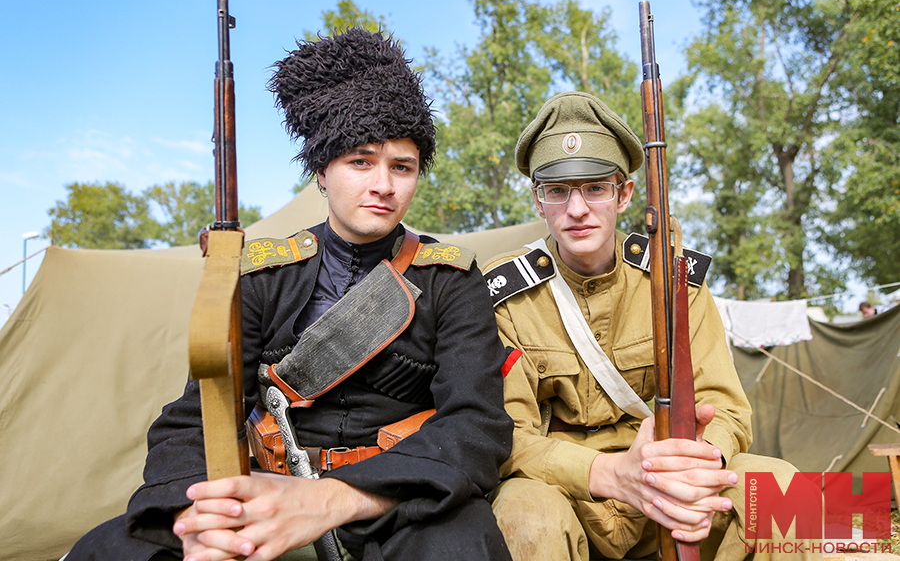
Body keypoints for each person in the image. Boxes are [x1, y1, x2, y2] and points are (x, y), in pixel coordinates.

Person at [67, 29, 513, 561]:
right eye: (361, 162)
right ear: (322, 172)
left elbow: (474, 426)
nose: (383, 184)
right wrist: (201, 515)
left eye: (402, 167)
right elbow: (198, 416)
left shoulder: (451, 279)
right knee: (114, 549)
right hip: (265, 492)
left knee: (461, 546)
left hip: (395, 499)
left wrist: (334, 499)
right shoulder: (261, 275)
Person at [483, 92, 817, 561]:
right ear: (539, 201)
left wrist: (701, 466)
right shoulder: (508, 297)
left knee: (784, 490)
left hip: (676, 488)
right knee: (521, 512)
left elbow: (727, 409)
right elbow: (504, 436)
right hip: (574, 495)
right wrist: (609, 472)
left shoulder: (675, 280)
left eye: (595, 187)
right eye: (558, 191)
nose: (577, 209)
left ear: (625, 194)